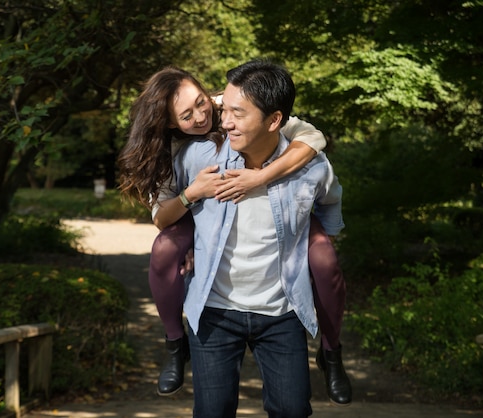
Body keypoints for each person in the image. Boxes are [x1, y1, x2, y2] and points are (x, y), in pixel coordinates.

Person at [117, 66, 351, 406]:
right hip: (211, 297)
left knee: (323, 256)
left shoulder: (301, 157)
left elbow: (312, 139)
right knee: (165, 248)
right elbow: (162, 216)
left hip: (280, 312)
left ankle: (331, 352)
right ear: (171, 123)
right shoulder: (189, 155)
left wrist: (262, 180)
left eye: (204, 104)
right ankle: (174, 343)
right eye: (186, 115)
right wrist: (194, 213)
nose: (210, 118)